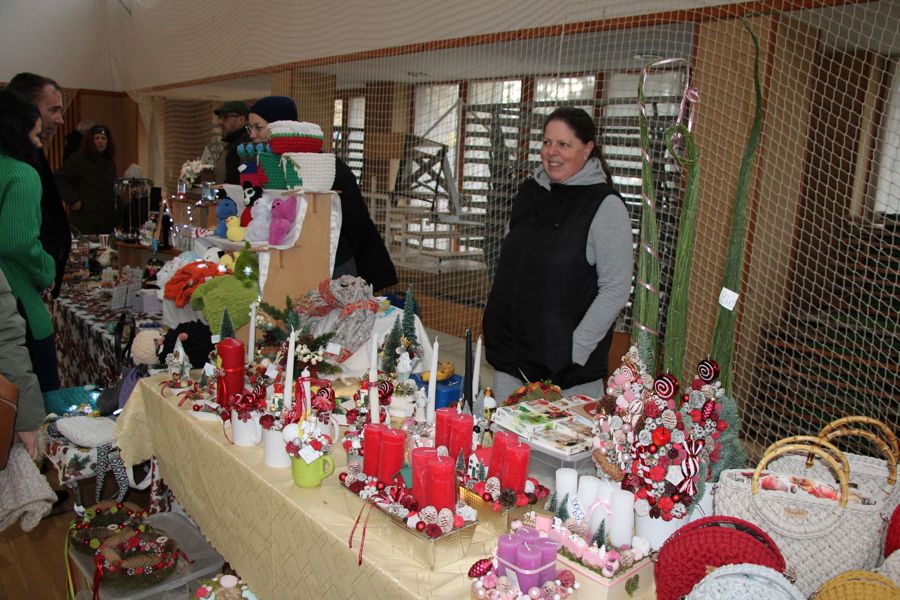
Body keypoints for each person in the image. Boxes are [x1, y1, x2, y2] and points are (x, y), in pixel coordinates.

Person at [482, 107, 633, 402]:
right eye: (547, 142)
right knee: (501, 431)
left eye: (564, 144)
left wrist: (575, 349)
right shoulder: (530, 191)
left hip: (565, 376)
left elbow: (615, 289)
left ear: (587, 149)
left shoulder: (605, 206)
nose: (552, 152)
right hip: (511, 361)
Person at [247, 96, 397, 292]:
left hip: (334, 259)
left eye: (258, 127)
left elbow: (356, 220)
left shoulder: (322, 166)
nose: (252, 135)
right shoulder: (271, 165)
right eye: (250, 128)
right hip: (294, 259)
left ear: (278, 126)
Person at [0, 89, 59, 395]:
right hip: (16, 304)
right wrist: (47, 269)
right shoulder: (21, 174)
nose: (39, 144)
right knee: (35, 398)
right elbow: (18, 242)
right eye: (36, 136)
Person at [5, 73, 70, 298]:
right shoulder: (19, 167)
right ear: (27, 111)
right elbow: (17, 241)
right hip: (19, 287)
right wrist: (45, 270)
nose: (60, 120)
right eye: (54, 110)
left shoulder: (29, 152)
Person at [55, 124, 119, 235]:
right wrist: (73, 200)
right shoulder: (79, 158)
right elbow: (59, 178)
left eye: (103, 138)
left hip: (106, 223)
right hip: (85, 222)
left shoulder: (110, 163)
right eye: (97, 138)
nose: (100, 141)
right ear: (90, 140)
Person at [213, 100, 250, 184]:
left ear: (241, 119)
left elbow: (234, 182)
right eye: (220, 118)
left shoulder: (245, 145)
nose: (221, 122)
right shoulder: (233, 143)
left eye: (225, 117)